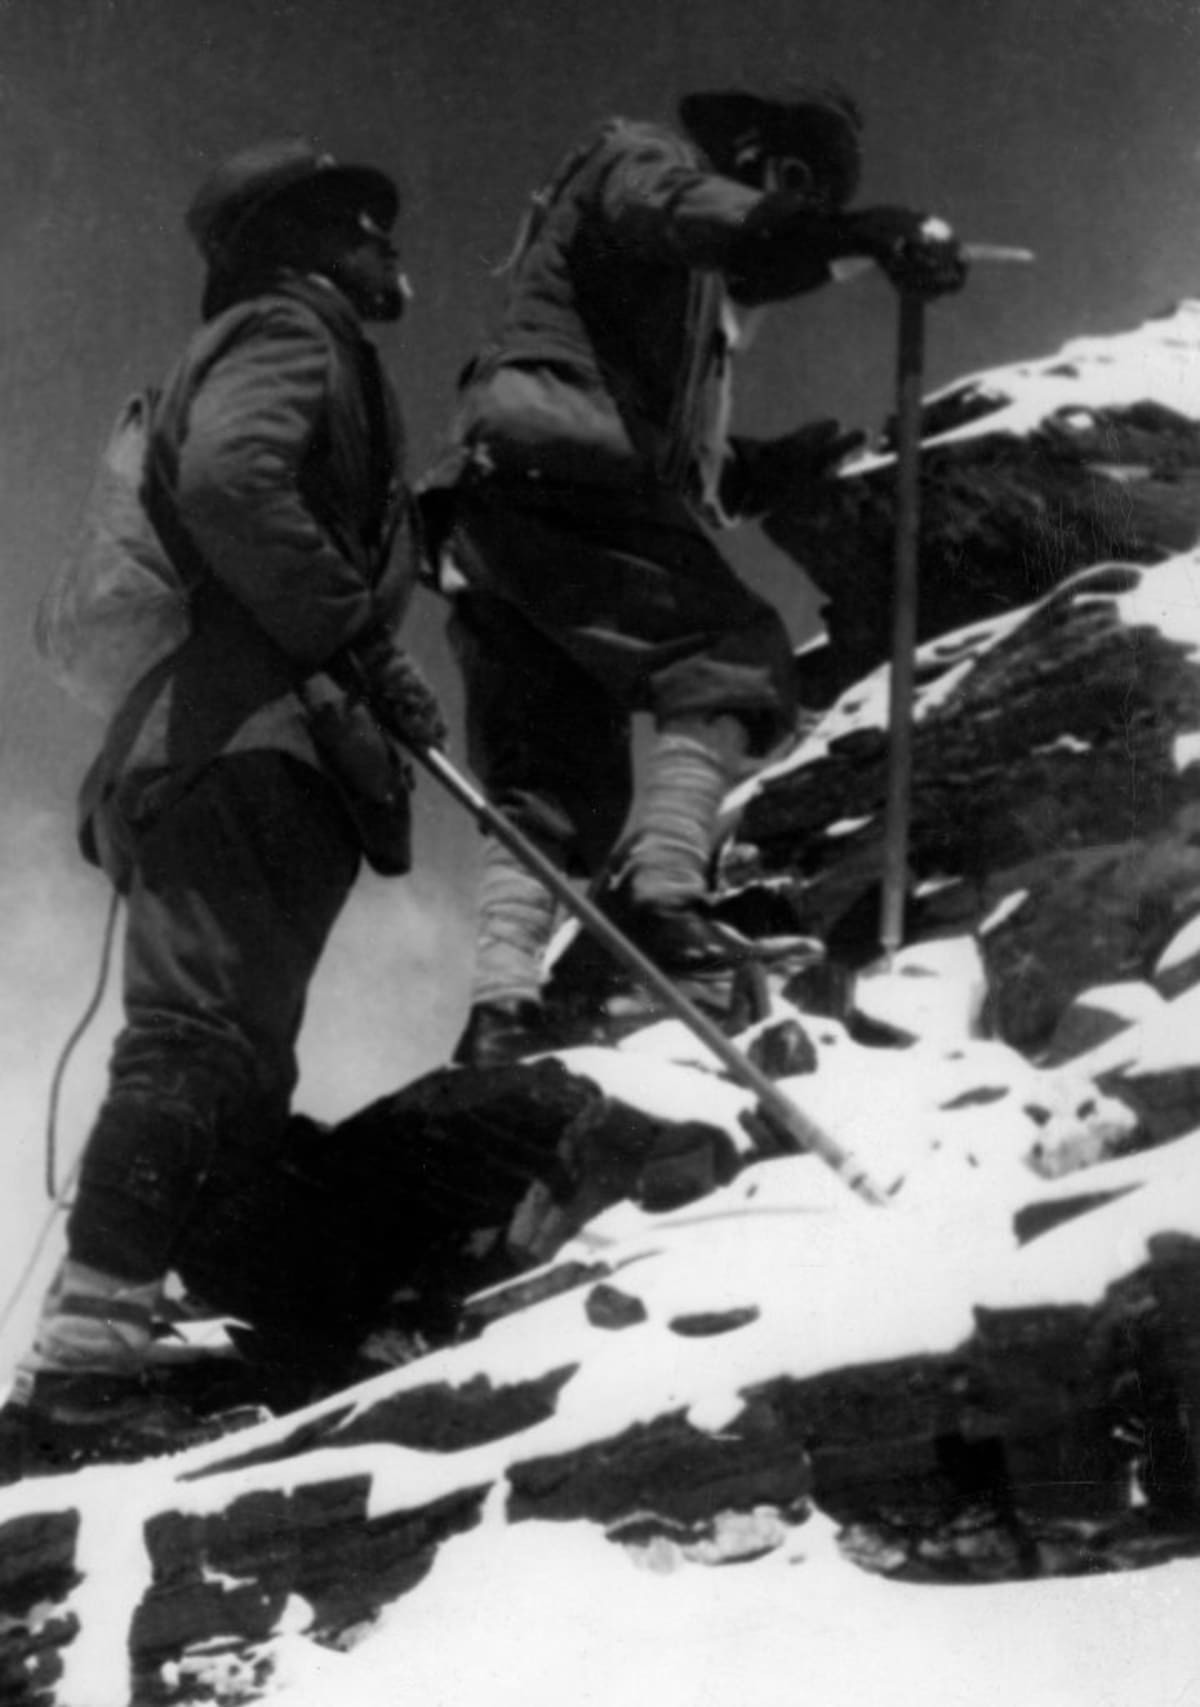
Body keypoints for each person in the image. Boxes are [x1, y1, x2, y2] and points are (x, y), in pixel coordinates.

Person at [0, 139, 444, 1474]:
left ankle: (185, 1325)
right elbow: (230, 482)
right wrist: (357, 644)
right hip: (240, 747)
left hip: (261, 756)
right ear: (294, 245)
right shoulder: (289, 327)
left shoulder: (302, 337)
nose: (384, 235)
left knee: (239, 1070)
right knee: (198, 1045)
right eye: (355, 219)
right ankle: (83, 1364)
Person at [421, 83, 966, 1070]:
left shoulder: (688, 323)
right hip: (563, 479)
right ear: (752, 153)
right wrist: (852, 236)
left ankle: (501, 1007)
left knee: (548, 781)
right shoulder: (641, 160)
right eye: (794, 177)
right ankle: (663, 893)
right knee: (732, 652)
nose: (796, 198)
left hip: (500, 514)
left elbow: (690, 481)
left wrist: (767, 468)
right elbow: (689, 214)